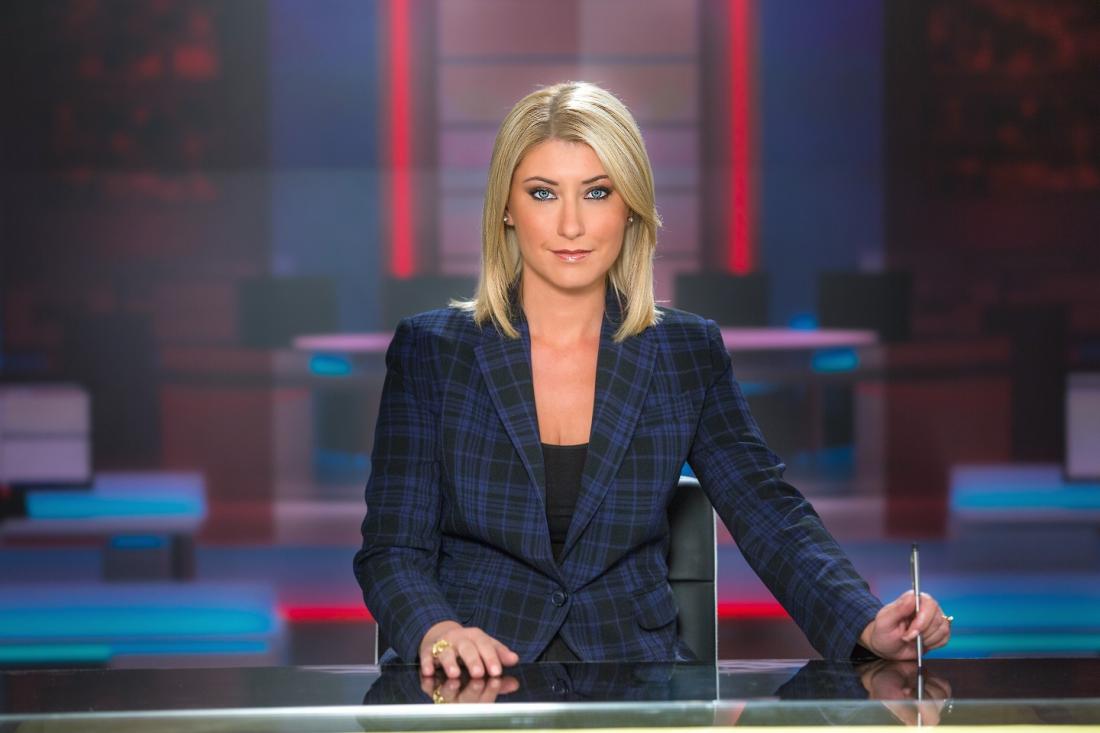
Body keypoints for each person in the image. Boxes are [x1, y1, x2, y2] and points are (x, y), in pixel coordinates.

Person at [353, 80, 952, 679]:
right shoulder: (433, 352)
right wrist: (439, 632)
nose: (570, 225)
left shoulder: (686, 352)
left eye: (596, 192)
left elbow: (766, 508)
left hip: (635, 678)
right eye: (543, 193)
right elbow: (392, 550)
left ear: (630, 206)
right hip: (472, 683)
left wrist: (865, 622)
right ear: (506, 208)